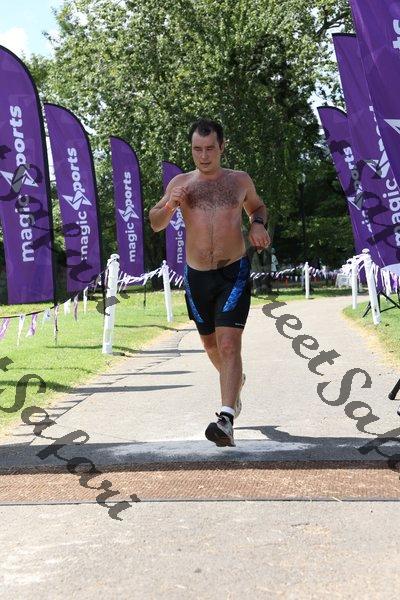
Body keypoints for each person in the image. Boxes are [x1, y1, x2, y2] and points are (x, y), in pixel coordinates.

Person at [149, 118, 270, 447]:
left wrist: (257, 224)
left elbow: (257, 207)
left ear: (222, 147)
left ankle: (226, 417)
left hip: (233, 271)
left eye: (209, 149)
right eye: (197, 149)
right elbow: (156, 223)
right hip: (196, 276)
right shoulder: (181, 183)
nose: (203, 156)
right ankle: (235, 381)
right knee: (211, 346)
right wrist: (171, 204)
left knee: (229, 344)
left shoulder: (239, 180)